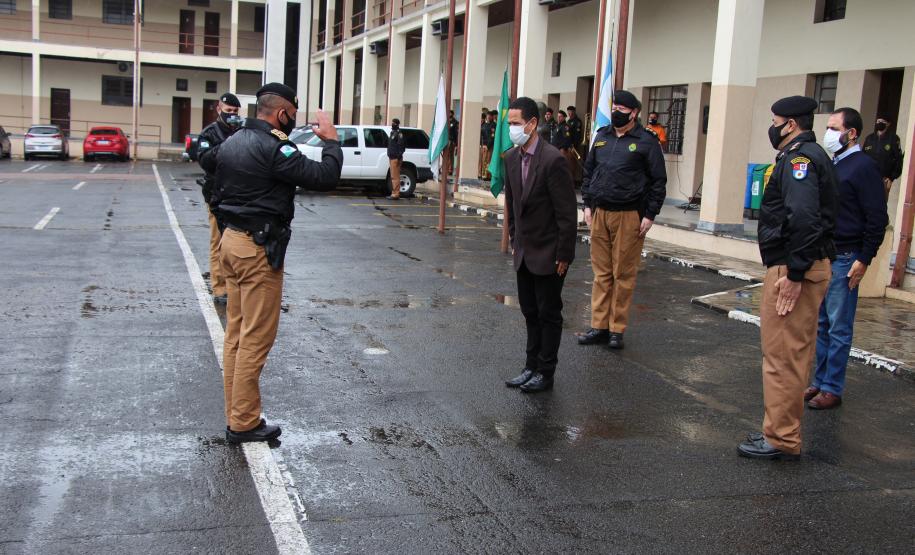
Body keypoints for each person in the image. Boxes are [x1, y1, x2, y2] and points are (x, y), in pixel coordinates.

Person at [213, 83, 342, 443]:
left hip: (232, 241)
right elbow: (324, 177)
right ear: (282, 113)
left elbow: (214, 189)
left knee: (236, 334)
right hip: (256, 249)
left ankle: (238, 412)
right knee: (255, 337)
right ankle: (243, 422)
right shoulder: (274, 147)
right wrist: (331, 142)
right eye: (292, 115)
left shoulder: (233, 141)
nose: (292, 122)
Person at [737, 95, 837, 461]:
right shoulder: (805, 156)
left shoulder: (799, 160)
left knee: (783, 356)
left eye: (776, 120)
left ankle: (780, 438)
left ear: (790, 124)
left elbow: (805, 219)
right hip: (800, 265)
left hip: (796, 269)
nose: (773, 126)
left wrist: (794, 274)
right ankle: (779, 431)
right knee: (789, 354)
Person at [806, 107, 888, 410]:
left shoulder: (863, 167)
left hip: (847, 257)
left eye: (833, 127)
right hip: (828, 255)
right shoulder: (835, 164)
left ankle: (832, 387)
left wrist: (864, 258)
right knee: (823, 324)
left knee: (839, 326)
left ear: (851, 133)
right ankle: (819, 381)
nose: (828, 133)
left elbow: (877, 217)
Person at [577, 90, 667, 350]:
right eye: (614, 106)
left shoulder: (646, 141)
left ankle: (616, 329)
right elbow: (589, 172)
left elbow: (658, 182)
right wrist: (587, 204)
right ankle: (598, 326)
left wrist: (650, 214)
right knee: (601, 274)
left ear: (634, 113)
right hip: (600, 212)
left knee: (623, 273)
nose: (616, 111)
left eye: (622, 109)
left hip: (629, 215)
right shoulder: (603, 136)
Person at [502, 96, 578, 393]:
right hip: (524, 251)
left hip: (549, 253)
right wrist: (513, 237)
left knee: (548, 313)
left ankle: (546, 371)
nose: (512, 129)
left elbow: (566, 213)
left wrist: (564, 254)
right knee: (529, 312)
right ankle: (530, 366)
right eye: (509, 124)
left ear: (533, 124)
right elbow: (511, 204)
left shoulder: (552, 160)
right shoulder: (510, 158)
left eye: (516, 123)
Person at [196, 92, 242, 305]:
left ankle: (235, 285)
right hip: (216, 195)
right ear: (219, 109)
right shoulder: (209, 133)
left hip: (238, 194)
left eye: (234, 111)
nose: (231, 114)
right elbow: (205, 160)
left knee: (237, 243)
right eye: (228, 111)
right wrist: (228, 146)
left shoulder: (242, 131)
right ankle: (219, 287)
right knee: (218, 242)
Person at [862, 116, 904, 199]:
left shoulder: (893, 139)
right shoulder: (869, 138)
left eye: (882, 121)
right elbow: (863, 157)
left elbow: (898, 159)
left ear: (888, 124)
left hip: (883, 179)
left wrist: (892, 177)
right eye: (878, 121)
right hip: (868, 177)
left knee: (880, 204)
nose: (879, 122)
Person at [387, 118, 406, 200]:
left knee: (395, 177)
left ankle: (396, 194)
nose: (392, 124)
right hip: (391, 157)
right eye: (392, 122)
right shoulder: (392, 133)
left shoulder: (399, 134)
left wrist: (398, 157)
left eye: (394, 123)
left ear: (397, 124)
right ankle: (393, 192)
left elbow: (401, 146)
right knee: (393, 176)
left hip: (395, 158)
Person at [567, 106, 584, 184]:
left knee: (572, 164)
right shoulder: (568, 121)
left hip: (573, 146)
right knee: (568, 164)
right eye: (568, 112)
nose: (569, 114)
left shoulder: (577, 121)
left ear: (574, 112)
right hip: (568, 145)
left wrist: (573, 145)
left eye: (570, 112)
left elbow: (577, 135)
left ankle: (572, 181)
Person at [480, 110, 495, 180]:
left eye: (490, 116)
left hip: (490, 146)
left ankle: (488, 176)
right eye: (487, 115)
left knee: (488, 160)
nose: (488, 117)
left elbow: (492, 136)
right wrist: (482, 145)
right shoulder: (485, 125)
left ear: (492, 117)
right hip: (484, 145)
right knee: (484, 160)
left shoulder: (493, 125)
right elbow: (482, 135)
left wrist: (488, 146)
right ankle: (483, 174)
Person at [448, 110, 459, 175]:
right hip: (446, 140)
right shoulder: (446, 121)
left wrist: (456, 143)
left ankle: (450, 169)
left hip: (451, 141)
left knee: (451, 156)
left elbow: (456, 133)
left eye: (450, 113)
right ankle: (446, 168)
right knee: (446, 155)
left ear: (452, 114)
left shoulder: (455, 122)